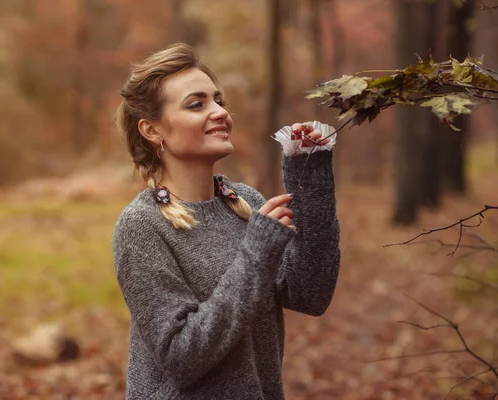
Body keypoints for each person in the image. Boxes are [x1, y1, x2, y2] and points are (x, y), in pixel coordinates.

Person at [112, 43, 340, 400]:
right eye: (196, 104)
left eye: (218, 100)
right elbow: (181, 357)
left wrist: (309, 177)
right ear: (152, 130)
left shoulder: (245, 203)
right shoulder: (142, 226)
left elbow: (311, 295)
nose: (219, 112)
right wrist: (256, 254)